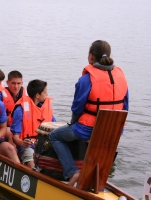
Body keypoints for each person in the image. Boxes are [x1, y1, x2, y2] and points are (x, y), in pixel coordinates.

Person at [49, 40, 129, 186]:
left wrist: (73, 124)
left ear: (91, 56)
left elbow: (77, 107)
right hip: (114, 129)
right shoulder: (121, 76)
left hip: (88, 129)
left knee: (54, 136)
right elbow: (126, 105)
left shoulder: (87, 79)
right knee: (102, 142)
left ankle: (73, 172)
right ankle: (99, 178)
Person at [11, 79, 56, 169]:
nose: (47, 95)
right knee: (32, 164)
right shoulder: (20, 110)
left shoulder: (45, 109)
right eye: (45, 92)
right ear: (37, 95)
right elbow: (15, 138)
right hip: (27, 147)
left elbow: (55, 128)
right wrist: (23, 143)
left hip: (44, 145)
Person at [0, 70, 26, 145]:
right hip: (6, 127)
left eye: (18, 83)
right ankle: (13, 152)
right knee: (10, 133)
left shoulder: (27, 96)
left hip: (21, 125)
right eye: (13, 83)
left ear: (22, 83)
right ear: (7, 82)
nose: (16, 86)